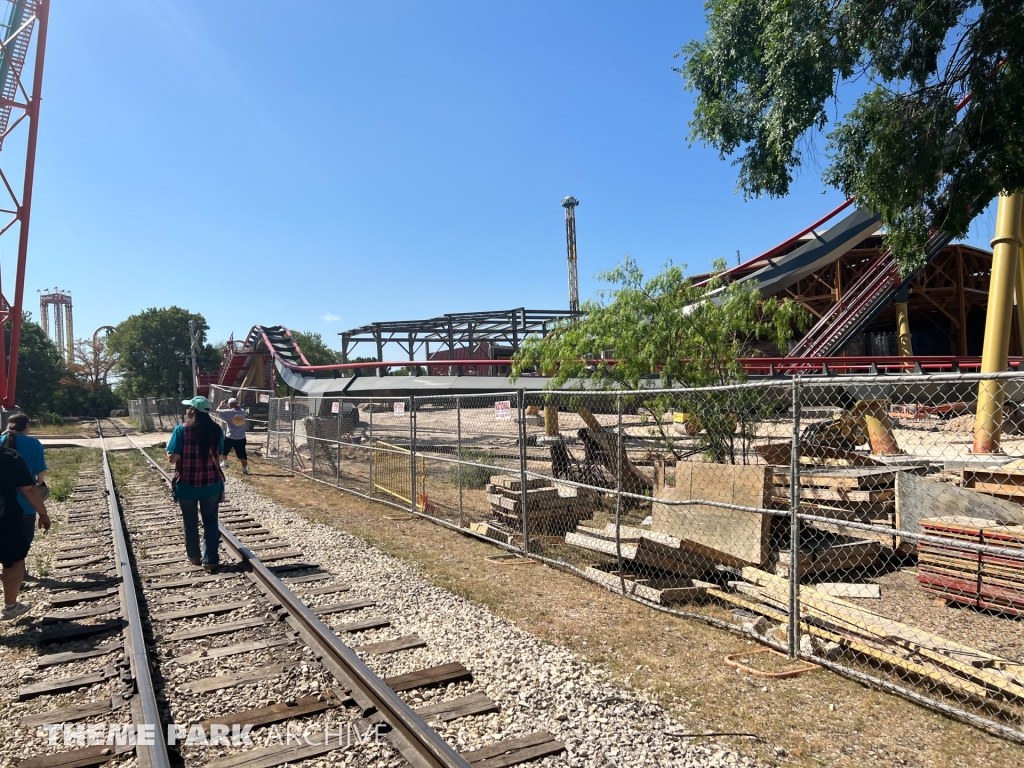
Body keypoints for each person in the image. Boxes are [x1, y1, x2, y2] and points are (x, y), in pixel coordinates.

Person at [167, 396, 225, 573]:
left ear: (193, 411)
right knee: (210, 522)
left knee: (190, 522)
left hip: (186, 486)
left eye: (188, 408)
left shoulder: (181, 430)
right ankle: (211, 560)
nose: (187, 410)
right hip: (211, 485)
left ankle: (194, 557)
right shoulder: (217, 430)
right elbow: (220, 453)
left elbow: (172, 459)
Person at [0, 441, 50, 620]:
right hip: (5, 519)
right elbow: (28, 489)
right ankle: (10, 606)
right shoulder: (8, 456)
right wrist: (43, 513)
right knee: (13, 561)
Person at [1, 413, 48, 547]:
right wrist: (40, 484)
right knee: (21, 547)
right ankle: (20, 568)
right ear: (27, 425)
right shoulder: (33, 444)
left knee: (6, 548)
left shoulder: (1, 440)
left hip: (3, 504)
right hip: (26, 505)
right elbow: (40, 475)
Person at [216, 397, 249, 475]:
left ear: (230, 405)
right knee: (242, 454)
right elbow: (241, 409)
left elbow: (217, 411)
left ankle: (225, 463)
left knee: (224, 450)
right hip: (241, 437)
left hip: (230, 436)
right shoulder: (242, 411)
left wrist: (221, 404)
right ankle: (244, 469)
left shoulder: (229, 412)